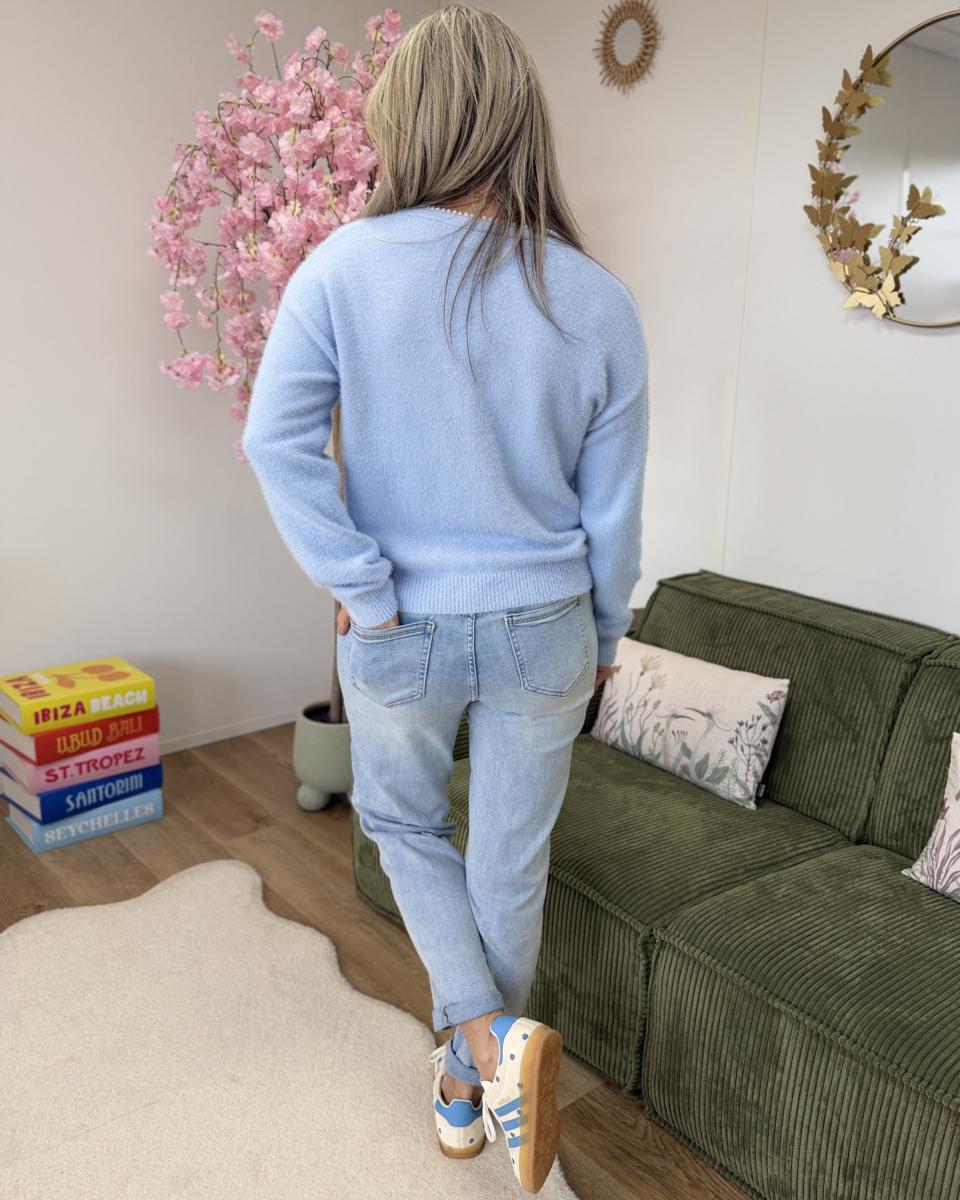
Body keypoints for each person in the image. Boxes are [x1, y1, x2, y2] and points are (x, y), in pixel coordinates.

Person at [241, 4, 649, 1192]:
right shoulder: (598, 299)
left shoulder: (340, 267)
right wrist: (608, 630)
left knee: (406, 828)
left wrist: (359, 586)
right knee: (509, 868)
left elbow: (275, 445)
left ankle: (475, 1054)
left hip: (401, 627)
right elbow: (613, 511)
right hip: (548, 624)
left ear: (407, 125)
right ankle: (477, 1076)